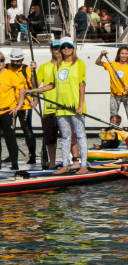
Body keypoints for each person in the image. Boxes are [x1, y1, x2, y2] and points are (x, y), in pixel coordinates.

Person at [33, 39, 88, 175]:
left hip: (74, 107)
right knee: (65, 137)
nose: (65, 49)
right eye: (63, 47)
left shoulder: (79, 63)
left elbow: (82, 85)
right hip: (60, 108)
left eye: (68, 46)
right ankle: (64, 165)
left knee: (80, 136)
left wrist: (80, 106)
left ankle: (83, 166)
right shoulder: (57, 65)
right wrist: (31, 91)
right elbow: (50, 85)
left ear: (73, 48)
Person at [33, 41, 64, 168]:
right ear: (51, 50)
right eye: (55, 48)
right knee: (50, 139)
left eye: (59, 49)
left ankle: (70, 161)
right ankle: (52, 163)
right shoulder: (44, 67)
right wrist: (32, 71)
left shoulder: (66, 66)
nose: (57, 51)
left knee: (67, 137)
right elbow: (35, 85)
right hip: (49, 109)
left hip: (63, 109)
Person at [97, 47, 128, 134]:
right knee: (113, 119)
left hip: (127, 96)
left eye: (126, 54)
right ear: (119, 54)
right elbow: (97, 62)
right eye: (122, 53)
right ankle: (112, 139)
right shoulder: (112, 64)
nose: (124, 55)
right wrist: (101, 55)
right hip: (115, 96)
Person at [7, 48, 37, 165]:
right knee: (9, 131)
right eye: (13, 61)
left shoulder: (26, 70)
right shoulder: (6, 67)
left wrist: (35, 99)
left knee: (27, 130)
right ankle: (11, 155)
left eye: (17, 61)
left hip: (25, 105)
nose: (15, 63)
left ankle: (32, 155)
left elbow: (34, 86)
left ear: (22, 60)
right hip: (10, 105)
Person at [0, 51, 29, 171]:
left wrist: (18, 106)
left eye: (1, 60)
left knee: (9, 138)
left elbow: (22, 90)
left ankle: (14, 163)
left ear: (3, 62)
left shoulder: (10, 74)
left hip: (8, 111)